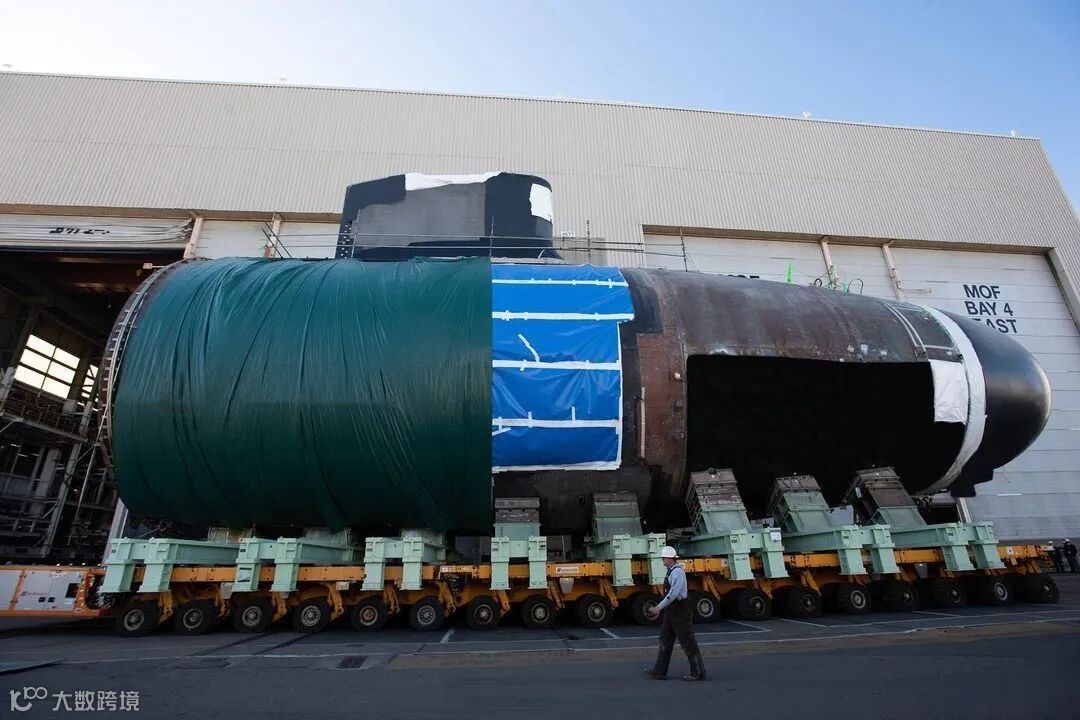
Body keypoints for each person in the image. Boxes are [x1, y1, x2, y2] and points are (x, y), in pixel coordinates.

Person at [644, 546, 705, 681]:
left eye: (664, 558)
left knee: (687, 642)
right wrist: (662, 609)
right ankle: (660, 670)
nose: (662, 560)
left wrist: (658, 608)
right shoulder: (671, 571)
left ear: (670, 559)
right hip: (671, 611)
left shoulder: (677, 572)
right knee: (665, 639)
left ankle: (697, 672)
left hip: (680, 611)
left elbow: (673, 594)